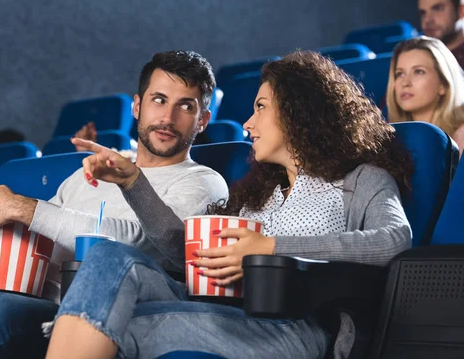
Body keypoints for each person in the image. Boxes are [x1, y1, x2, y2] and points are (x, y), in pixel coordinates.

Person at [44, 51, 414, 358]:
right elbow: (181, 252)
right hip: (226, 313)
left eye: (261, 107)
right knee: (109, 258)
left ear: (299, 113)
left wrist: (269, 249)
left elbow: (393, 241)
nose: (248, 123)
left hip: (295, 326)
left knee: (110, 323)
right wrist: (133, 183)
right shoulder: (256, 193)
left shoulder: (360, 179)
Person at [0, 51, 229, 359]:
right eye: (159, 100)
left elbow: (140, 246)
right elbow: (41, 232)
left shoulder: (204, 182)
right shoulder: (87, 174)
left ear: (203, 120)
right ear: (137, 106)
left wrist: (21, 206)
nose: (167, 117)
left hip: (75, 317)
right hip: (15, 296)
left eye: (186, 106)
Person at [386, 36, 464, 155]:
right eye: (399, 74)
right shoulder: (390, 141)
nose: (405, 83)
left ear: (443, 84)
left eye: (418, 72)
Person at [416, 0, 464, 80]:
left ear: (462, 11)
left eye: (437, 8)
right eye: (423, 13)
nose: (427, 20)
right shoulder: (414, 63)